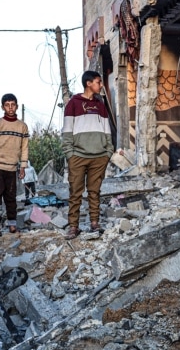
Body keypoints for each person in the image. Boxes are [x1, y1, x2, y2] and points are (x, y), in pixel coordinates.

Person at [62, 70, 114, 240]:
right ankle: (73, 226)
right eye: (98, 82)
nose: (100, 85)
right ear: (89, 83)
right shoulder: (73, 103)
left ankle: (94, 223)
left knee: (94, 192)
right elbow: (67, 131)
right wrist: (70, 153)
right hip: (78, 156)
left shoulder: (100, 105)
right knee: (75, 192)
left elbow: (107, 131)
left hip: (99, 157)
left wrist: (108, 152)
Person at [0, 93, 30, 236]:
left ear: (16, 106)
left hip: (12, 168)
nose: (10, 108)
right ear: (2, 107)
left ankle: (12, 224)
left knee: (11, 198)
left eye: (13, 105)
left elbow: (24, 148)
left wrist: (22, 167)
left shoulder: (22, 126)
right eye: (7, 105)